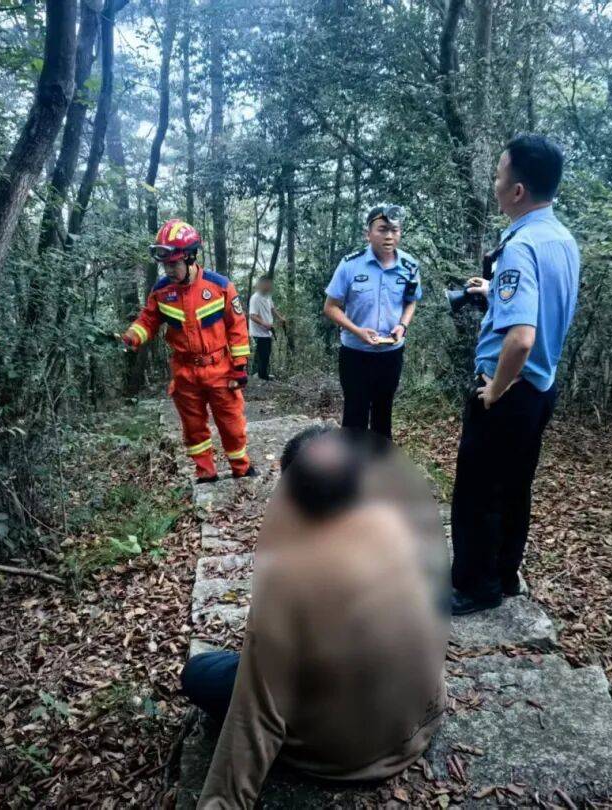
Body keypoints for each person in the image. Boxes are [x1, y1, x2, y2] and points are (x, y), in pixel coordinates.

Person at [181, 428, 449, 809]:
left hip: (345, 755)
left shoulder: (289, 579)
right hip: (418, 722)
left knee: (199, 674)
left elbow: (256, 717)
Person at [449, 135, 580, 616]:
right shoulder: (561, 239)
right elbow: (543, 306)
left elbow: (521, 338)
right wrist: (493, 291)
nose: (495, 183)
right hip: (542, 388)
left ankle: (474, 587)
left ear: (518, 190)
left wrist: (493, 391)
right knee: (514, 485)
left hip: (509, 388)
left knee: (477, 491)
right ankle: (505, 574)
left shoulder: (520, 246)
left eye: (499, 175)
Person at [122, 219, 257, 484]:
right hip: (185, 371)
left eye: (174, 264)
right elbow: (148, 320)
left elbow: (237, 326)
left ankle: (241, 467)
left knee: (231, 423)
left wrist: (239, 366)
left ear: (190, 257)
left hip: (219, 368)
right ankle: (205, 472)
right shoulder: (161, 291)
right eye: (165, 265)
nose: (169, 270)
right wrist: (133, 336)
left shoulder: (220, 287)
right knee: (193, 427)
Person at [323, 204, 422, 439]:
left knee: (383, 417)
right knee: (354, 418)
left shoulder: (409, 266)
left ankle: (380, 460)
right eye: (382, 229)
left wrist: (403, 325)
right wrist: (357, 331)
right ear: (368, 234)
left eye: (394, 230)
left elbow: (411, 301)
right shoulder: (350, 264)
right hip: (355, 355)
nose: (389, 236)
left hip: (391, 354)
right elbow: (330, 307)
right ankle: (351, 462)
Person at [247, 275, 285, 381]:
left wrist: (280, 318)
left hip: (267, 332)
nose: (269, 286)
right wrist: (265, 324)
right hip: (258, 332)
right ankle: (260, 377)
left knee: (266, 354)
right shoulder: (255, 298)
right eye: (267, 284)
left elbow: (272, 308)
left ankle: (263, 375)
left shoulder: (268, 296)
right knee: (262, 355)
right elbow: (252, 316)